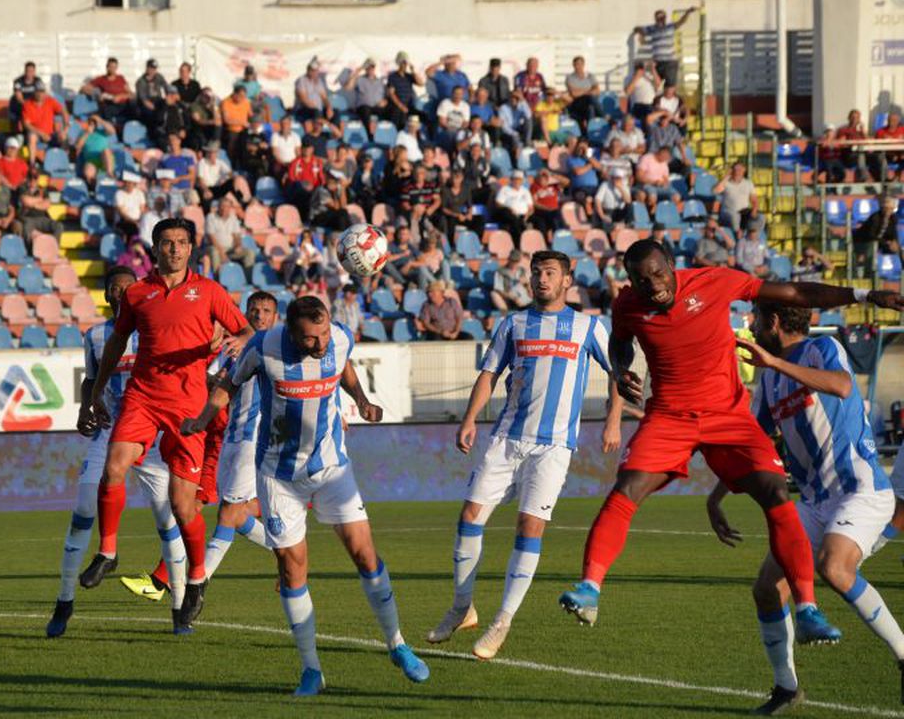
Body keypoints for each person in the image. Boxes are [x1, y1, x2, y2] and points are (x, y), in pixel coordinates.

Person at [557, 238, 903, 645]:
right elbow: (620, 341)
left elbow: (794, 292)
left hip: (727, 415)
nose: (654, 285)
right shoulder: (628, 305)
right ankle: (590, 588)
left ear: (672, 264)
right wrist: (619, 368)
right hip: (670, 416)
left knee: (775, 491)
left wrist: (863, 295)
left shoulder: (715, 282)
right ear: (630, 282)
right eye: (641, 279)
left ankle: (808, 608)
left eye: (658, 273)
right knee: (628, 487)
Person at [181, 296, 429, 695]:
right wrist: (202, 418)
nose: (321, 344)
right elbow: (230, 382)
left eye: (325, 333)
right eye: (312, 339)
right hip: (278, 477)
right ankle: (311, 670)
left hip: (332, 468)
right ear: (293, 334)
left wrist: (362, 401)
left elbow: (344, 368)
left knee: (366, 555)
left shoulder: (339, 339)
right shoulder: (264, 346)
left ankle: (398, 644)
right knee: (293, 570)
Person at [706, 304, 904, 713]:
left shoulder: (822, 348)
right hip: (814, 500)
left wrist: (775, 362)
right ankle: (786, 687)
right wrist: (717, 495)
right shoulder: (770, 379)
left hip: (860, 489)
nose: (752, 326)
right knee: (766, 589)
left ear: (774, 323)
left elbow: (842, 387)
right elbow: (754, 443)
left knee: (835, 569)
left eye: (757, 319)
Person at [429, 250, 621, 656]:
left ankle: (503, 621)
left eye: (550, 273)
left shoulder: (587, 326)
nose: (541, 279)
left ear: (567, 280)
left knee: (528, 528)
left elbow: (619, 372)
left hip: (553, 447)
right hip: (506, 439)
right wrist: (469, 420)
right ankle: (463, 608)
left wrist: (613, 418)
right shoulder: (514, 323)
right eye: (536, 273)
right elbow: (489, 374)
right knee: (468, 518)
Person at [87, 218, 253, 633]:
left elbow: (246, 329)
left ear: (192, 248)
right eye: (167, 242)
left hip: (188, 404)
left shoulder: (210, 291)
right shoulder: (138, 293)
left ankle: (196, 580)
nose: (174, 249)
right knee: (114, 466)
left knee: (183, 506)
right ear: (155, 248)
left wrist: (239, 339)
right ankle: (108, 552)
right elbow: (116, 343)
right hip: (143, 396)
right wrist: (97, 389)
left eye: (181, 242)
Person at [47, 266, 182, 635]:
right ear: (106, 295)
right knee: (82, 511)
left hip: (150, 434)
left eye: (127, 288)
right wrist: (84, 408)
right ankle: (64, 601)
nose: (120, 293)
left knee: (168, 518)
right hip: (109, 434)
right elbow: (91, 378)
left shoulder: (155, 330)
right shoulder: (95, 336)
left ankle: (179, 607)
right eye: (114, 288)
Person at [184, 293, 279, 587]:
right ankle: (287, 552)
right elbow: (213, 383)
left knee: (228, 513)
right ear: (244, 313)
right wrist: (217, 374)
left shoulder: (279, 349)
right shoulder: (234, 347)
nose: (259, 316)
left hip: (256, 440)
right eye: (254, 310)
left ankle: (196, 586)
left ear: (275, 317)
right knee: (237, 516)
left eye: (266, 311)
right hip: (233, 438)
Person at [635, 7, 696, 86]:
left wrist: (688, 12)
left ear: (665, 18)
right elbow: (637, 28)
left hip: (669, 62)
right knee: (657, 86)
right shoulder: (652, 28)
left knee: (670, 86)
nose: (660, 19)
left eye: (662, 17)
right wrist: (641, 33)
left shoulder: (670, 26)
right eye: (658, 17)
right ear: (655, 18)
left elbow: (681, 21)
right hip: (657, 63)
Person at [205, 194, 256, 274]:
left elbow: (236, 235)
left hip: (230, 248)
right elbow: (211, 238)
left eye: (227, 206)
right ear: (218, 207)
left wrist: (238, 245)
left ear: (230, 208)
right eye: (223, 206)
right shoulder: (211, 217)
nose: (225, 208)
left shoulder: (233, 217)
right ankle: (218, 279)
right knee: (214, 252)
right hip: (215, 247)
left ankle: (248, 279)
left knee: (249, 253)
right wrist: (221, 253)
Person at [82, 57, 133, 125]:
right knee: (105, 110)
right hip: (110, 104)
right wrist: (97, 95)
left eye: (114, 67)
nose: (112, 69)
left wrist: (121, 96)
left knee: (134, 108)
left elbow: (131, 94)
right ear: (107, 67)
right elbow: (84, 88)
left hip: (123, 105)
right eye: (111, 67)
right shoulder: (101, 79)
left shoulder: (121, 78)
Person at [21, 82, 67, 157]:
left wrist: (65, 129)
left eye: (42, 91)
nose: (40, 94)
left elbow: (64, 111)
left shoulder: (50, 101)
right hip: (36, 134)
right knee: (32, 137)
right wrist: (41, 134)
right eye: (38, 91)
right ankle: (32, 165)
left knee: (63, 136)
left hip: (50, 134)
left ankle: (63, 161)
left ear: (45, 93)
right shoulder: (28, 104)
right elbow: (26, 124)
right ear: (34, 92)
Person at [15, 175, 64, 242]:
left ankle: (53, 246)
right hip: (28, 217)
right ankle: (30, 251)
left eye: (35, 178)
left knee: (59, 226)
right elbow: (26, 201)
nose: (33, 180)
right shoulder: (22, 188)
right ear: (27, 179)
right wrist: (40, 199)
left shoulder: (42, 190)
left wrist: (33, 205)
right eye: (31, 178)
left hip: (43, 218)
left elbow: (47, 205)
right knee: (27, 229)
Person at [492, 170, 533, 246]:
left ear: (522, 181)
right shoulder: (505, 189)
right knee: (514, 220)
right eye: (515, 179)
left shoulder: (525, 191)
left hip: (523, 215)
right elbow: (498, 204)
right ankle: (518, 244)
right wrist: (509, 208)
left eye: (519, 179)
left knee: (537, 221)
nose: (517, 181)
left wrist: (527, 215)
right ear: (511, 180)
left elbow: (531, 207)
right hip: (507, 212)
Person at [715, 161, 758, 233]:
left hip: (743, 212)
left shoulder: (748, 184)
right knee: (735, 217)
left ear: (744, 170)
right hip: (728, 212)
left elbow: (754, 200)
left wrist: (754, 209)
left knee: (760, 218)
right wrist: (727, 176)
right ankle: (738, 238)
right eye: (735, 169)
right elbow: (716, 190)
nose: (737, 172)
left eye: (739, 169)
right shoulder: (726, 183)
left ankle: (754, 240)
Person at [565, 56, 602, 134]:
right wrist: (589, 90)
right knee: (590, 97)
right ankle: (604, 116)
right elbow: (574, 94)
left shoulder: (590, 76)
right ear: (573, 65)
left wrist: (580, 91)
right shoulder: (570, 78)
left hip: (589, 104)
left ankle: (589, 133)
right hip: (577, 103)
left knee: (590, 107)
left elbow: (598, 91)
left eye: (580, 64)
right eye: (576, 64)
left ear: (583, 65)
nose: (578, 66)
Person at [386, 51, 423, 129]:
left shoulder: (409, 76)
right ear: (399, 63)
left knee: (423, 116)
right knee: (400, 116)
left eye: (406, 63)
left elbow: (421, 83)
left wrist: (413, 71)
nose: (405, 65)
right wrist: (401, 106)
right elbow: (391, 94)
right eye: (403, 63)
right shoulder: (392, 76)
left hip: (409, 105)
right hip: (397, 105)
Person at [497, 89, 533, 159]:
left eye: (516, 98)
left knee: (529, 120)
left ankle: (527, 142)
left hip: (520, 129)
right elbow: (504, 127)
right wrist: (514, 133)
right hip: (509, 132)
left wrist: (522, 100)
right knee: (515, 138)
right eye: (512, 97)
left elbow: (529, 115)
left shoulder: (521, 105)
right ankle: (517, 159)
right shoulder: (503, 108)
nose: (514, 99)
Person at [354, 58, 389, 129]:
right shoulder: (360, 79)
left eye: (372, 67)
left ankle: (390, 134)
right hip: (364, 107)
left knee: (391, 110)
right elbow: (348, 87)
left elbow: (387, 95)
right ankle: (370, 134)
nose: (370, 69)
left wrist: (385, 101)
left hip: (377, 107)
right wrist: (356, 73)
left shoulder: (380, 81)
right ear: (365, 69)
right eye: (368, 67)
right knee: (365, 110)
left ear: (374, 68)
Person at [294, 58, 332, 122]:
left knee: (335, 113)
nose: (314, 72)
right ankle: (318, 129)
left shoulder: (319, 81)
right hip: (305, 110)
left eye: (316, 71)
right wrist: (317, 109)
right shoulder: (301, 80)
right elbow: (303, 99)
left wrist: (329, 107)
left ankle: (336, 131)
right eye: (312, 70)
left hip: (318, 110)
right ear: (308, 70)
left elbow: (324, 97)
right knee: (316, 113)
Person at [624, 60, 660, 125]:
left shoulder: (649, 76)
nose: (640, 70)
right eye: (638, 68)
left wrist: (653, 69)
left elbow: (659, 85)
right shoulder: (629, 78)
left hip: (650, 105)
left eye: (641, 68)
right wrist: (636, 77)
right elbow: (628, 91)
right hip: (637, 105)